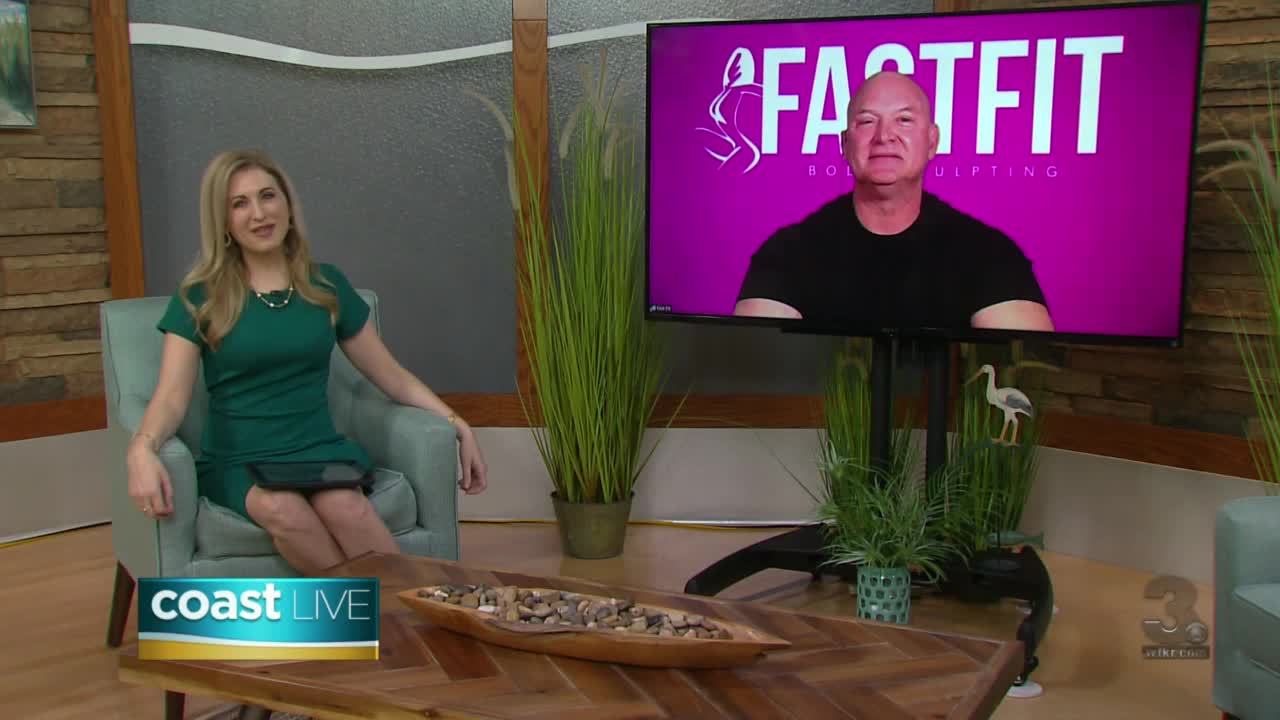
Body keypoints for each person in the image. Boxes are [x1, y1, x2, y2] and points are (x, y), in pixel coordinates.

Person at [125, 149, 488, 575]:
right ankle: (386, 610)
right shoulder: (200, 296)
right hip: (238, 459)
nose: (259, 214)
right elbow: (171, 398)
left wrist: (455, 422)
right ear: (222, 221)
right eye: (239, 203)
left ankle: (398, 607)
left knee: (347, 507)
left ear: (288, 204)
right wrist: (141, 448)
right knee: (283, 509)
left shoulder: (326, 284)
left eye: (267, 196)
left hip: (317, 448)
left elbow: (391, 376)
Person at [734, 70, 1055, 333]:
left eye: (904, 120)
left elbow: (1026, 369)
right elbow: (753, 364)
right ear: (845, 144)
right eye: (867, 121)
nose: (884, 136)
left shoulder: (989, 253)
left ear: (932, 141)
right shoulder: (787, 252)